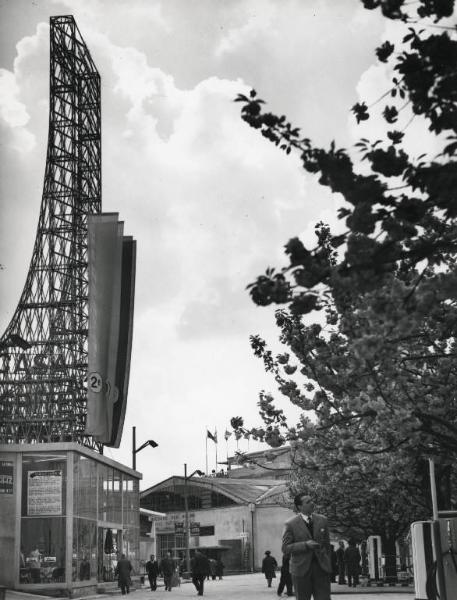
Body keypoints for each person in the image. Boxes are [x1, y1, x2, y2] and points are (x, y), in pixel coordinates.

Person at [282, 492, 332, 600]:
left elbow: (327, 546)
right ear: (300, 506)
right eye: (308, 502)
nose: (312, 503)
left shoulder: (322, 520)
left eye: (312, 500)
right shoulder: (290, 524)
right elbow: (285, 548)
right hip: (301, 570)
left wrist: (328, 563)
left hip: (321, 568)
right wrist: (305, 545)